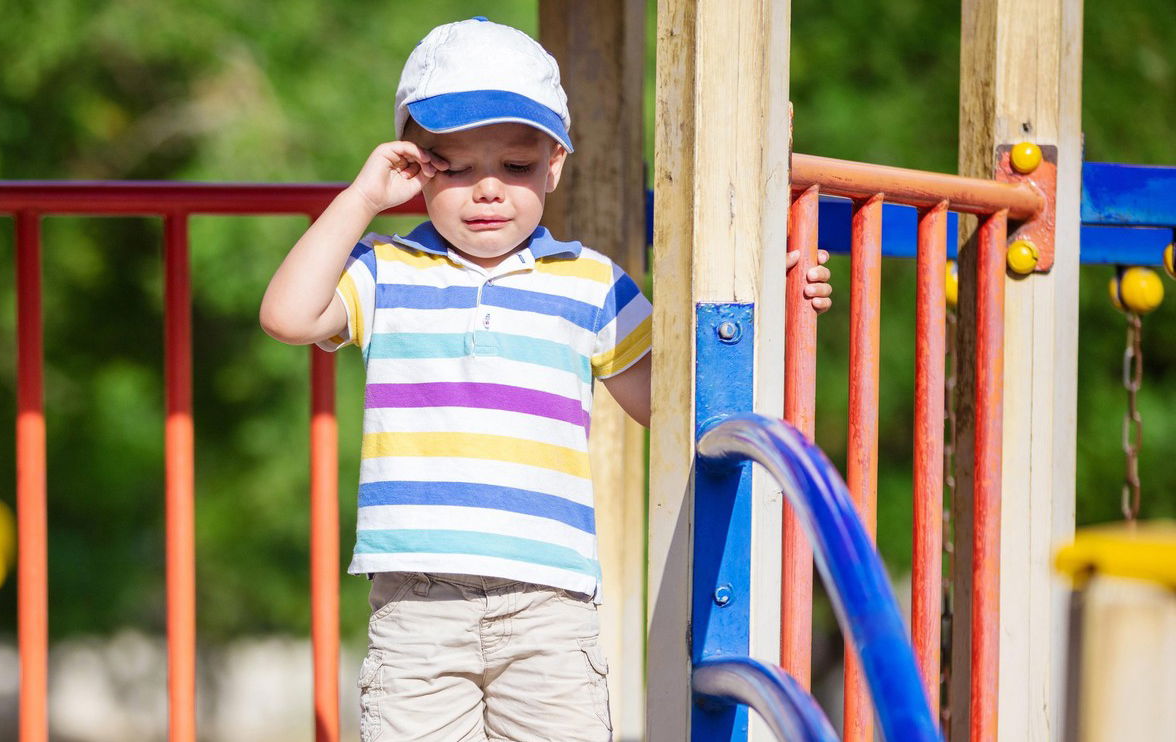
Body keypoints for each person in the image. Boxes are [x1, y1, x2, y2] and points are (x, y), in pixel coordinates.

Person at [259, 17, 831, 741]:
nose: (487, 191)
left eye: (517, 167)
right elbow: (286, 314)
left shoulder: (589, 283)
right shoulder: (384, 270)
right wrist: (364, 197)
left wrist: (774, 315)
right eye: (454, 168)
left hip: (548, 608)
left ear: (556, 163)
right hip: (417, 606)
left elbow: (674, 404)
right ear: (412, 165)